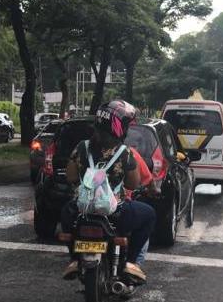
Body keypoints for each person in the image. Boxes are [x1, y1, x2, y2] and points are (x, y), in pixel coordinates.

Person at [60, 100, 157, 284]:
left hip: (81, 211)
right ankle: (131, 263)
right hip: (115, 213)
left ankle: (74, 259)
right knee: (149, 214)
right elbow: (133, 184)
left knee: (66, 212)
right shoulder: (125, 153)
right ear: (120, 127)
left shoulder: (81, 147)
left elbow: (71, 177)